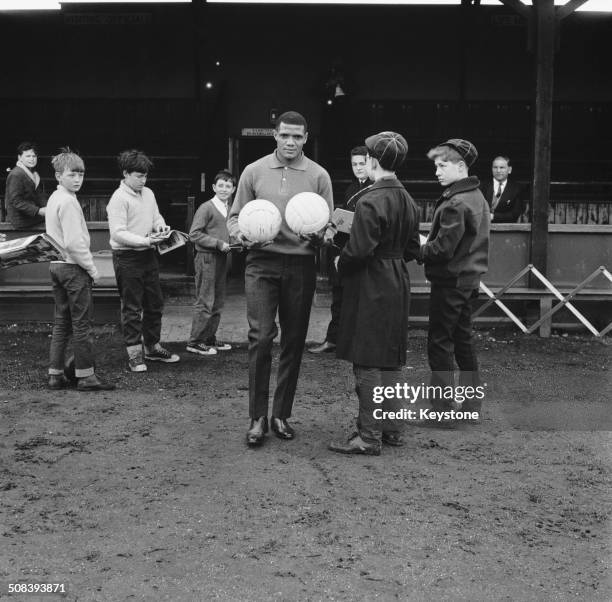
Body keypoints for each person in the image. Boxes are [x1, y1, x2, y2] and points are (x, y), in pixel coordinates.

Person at [227, 110, 335, 447]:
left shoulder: (319, 176)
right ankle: (257, 416)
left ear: (306, 137)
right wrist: (245, 237)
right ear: (274, 135)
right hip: (261, 263)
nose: (290, 142)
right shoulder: (253, 171)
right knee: (260, 337)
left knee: (293, 340)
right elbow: (233, 218)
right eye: (285, 135)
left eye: (297, 136)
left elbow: (329, 225)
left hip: (301, 266)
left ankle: (281, 414)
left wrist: (321, 238)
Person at [328, 132, 420, 456]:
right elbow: (413, 249)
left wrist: (341, 258)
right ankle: (392, 430)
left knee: (366, 360)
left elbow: (360, 251)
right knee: (391, 359)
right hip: (398, 280)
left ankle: (368, 437)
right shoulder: (409, 199)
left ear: (372, 161)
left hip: (370, 282)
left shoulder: (369, 199)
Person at [420, 139, 490, 427]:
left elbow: (442, 249)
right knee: (463, 340)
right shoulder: (477, 197)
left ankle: (444, 410)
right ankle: (471, 405)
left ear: (460, 167)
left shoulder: (456, 203)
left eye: (442, 165)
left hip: (450, 282)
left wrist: (418, 248)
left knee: (440, 343)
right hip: (468, 280)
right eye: (436, 165)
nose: (437, 171)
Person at [45, 148, 115, 391]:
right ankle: (86, 376)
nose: (77, 179)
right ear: (58, 176)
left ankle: (55, 374)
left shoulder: (54, 198)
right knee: (81, 324)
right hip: (73, 268)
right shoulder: (69, 202)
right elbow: (75, 243)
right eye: (71, 175)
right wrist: (93, 269)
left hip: (56, 265)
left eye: (81, 175)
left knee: (61, 322)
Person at [106, 149, 180, 372]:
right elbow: (118, 233)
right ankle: (134, 354)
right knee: (132, 307)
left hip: (148, 254)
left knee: (155, 302)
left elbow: (156, 216)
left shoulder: (148, 193)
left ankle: (152, 346)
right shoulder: (118, 199)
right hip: (127, 256)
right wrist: (144, 241)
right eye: (138, 176)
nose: (142, 180)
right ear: (126, 174)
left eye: (145, 176)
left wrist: (160, 226)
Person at [309, 145, 371, 354]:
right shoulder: (352, 188)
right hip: (343, 247)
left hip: (361, 251)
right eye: (354, 164)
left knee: (359, 301)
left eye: (362, 163)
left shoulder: (376, 188)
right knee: (339, 299)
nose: (358, 168)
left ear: (371, 163)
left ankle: (354, 342)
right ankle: (333, 339)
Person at [186, 169, 235, 356]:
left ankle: (208, 338)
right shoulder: (206, 207)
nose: (224, 189)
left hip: (223, 258)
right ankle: (195, 341)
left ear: (233, 189)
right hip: (206, 258)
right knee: (205, 300)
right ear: (214, 187)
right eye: (220, 185)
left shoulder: (230, 209)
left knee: (218, 301)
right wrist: (217, 243)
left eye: (228, 186)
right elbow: (194, 234)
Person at [5, 142, 47, 229]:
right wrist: (38, 211)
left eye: (34, 156)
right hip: (20, 220)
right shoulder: (16, 174)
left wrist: (48, 207)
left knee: (54, 215)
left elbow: (39, 195)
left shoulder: (32, 174)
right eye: (28, 156)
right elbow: (16, 201)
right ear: (19, 158)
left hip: (29, 216)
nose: (32, 159)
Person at [481, 155, 525, 223]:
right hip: (483, 227)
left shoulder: (516, 189)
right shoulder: (482, 186)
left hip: (505, 230)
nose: (498, 171)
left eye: (502, 167)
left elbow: (514, 214)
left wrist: (493, 217)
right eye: (495, 167)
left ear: (509, 170)